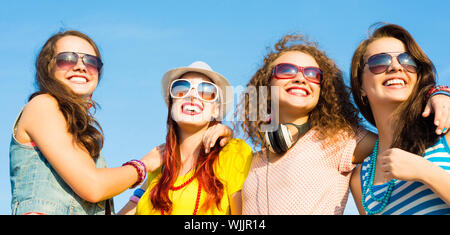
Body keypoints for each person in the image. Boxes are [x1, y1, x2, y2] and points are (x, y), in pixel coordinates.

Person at [9, 31, 228, 215]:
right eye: (68, 58)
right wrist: (144, 165)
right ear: (48, 67)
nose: (81, 66)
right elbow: (93, 187)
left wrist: (149, 186)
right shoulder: (42, 105)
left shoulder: (78, 138)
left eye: (90, 61)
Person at [237, 33, 450, 215]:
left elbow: (393, 139)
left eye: (312, 74)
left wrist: (437, 93)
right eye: (286, 70)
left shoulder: (337, 140)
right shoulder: (248, 160)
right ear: (265, 85)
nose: (301, 78)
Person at [125, 61, 252, 215]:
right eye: (181, 89)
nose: (192, 95)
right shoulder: (159, 165)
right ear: (172, 105)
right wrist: (142, 166)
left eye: (206, 91)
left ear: (216, 110)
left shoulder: (232, 151)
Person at [349, 23, 450, 215]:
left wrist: (425, 172)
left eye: (407, 60)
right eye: (379, 62)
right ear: (360, 85)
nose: (396, 67)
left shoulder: (444, 131)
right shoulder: (360, 180)